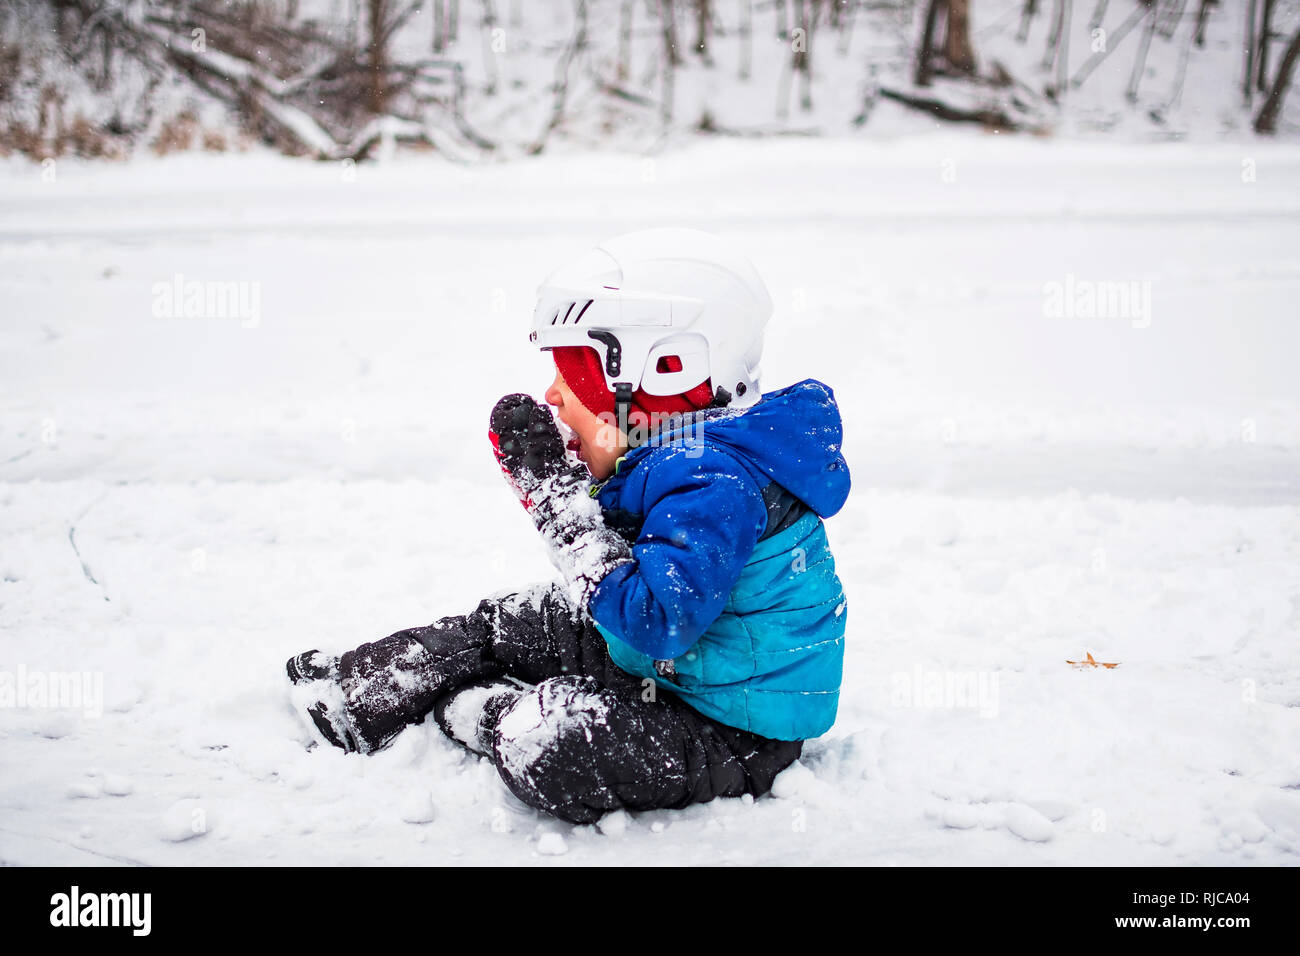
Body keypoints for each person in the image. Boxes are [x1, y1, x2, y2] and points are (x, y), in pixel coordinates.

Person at [285, 227, 851, 825]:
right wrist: (572, 484)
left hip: (729, 729)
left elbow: (660, 619)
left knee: (550, 743)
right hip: (669, 670)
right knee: (514, 620)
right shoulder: (684, 456)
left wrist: (559, 505)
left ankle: (482, 711)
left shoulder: (715, 484)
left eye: (574, 373)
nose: (553, 394)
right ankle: (360, 691)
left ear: (660, 376)